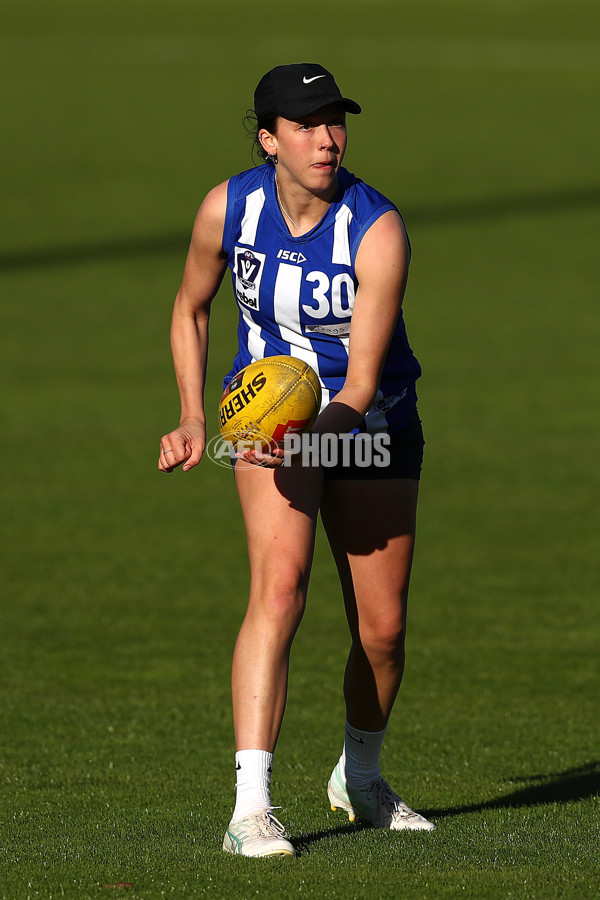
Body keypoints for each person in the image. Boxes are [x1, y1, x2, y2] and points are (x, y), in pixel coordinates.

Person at [158, 63, 435, 858]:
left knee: (381, 633)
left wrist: (311, 439)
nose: (327, 137)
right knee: (278, 589)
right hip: (268, 428)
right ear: (268, 138)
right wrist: (189, 415)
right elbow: (190, 307)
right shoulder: (229, 207)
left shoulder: (378, 229)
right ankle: (251, 809)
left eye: (335, 120)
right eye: (307, 123)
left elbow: (363, 382)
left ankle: (362, 777)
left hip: (368, 425)